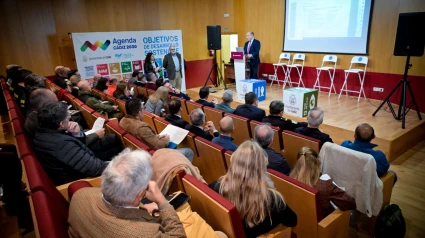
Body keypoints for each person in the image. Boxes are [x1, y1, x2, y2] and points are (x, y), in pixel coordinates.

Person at [68, 149, 186, 237]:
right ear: (140, 195)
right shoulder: (145, 234)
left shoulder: (80, 195)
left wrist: (141, 207)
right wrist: (162, 202)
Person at [209, 141, 297, 237]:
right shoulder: (272, 199)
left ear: (233, 161)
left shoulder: (215, 187)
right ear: (262, 168)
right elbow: (292, 221)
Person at [26, 88, 122, 161]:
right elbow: (71, 145)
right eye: (56, 102)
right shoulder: (45, 122)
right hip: (75, 154)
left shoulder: (37, 117)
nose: (60, 103)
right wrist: (95, 134)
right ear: (47, 106)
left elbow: (73, 130)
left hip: (75, 146)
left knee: (112, 139)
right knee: (115, 144)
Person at [33, 102, 108, 185]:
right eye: (68, 118)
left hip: (76, 167)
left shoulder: (43, 131)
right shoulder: (61, 144)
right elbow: (96, 169)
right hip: (80, 181)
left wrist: (76, 133)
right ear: (61, 124)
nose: (70, 118)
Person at [290, 147, 356, 218]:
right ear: (317, 163)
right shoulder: (326, 185)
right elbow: (350, 203)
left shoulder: (289, 179)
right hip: (323, 222)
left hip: (301, 217)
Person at [119, 99, 194, 162]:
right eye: (143, 108)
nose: (144, 110)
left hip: (138, 152)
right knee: (189, 152)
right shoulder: (141, 127)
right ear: (139, 112)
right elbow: (159, 146)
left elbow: (142, 137)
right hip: (152, 156)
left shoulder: (122, 121)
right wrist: (166, 140)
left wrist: (157, 137)